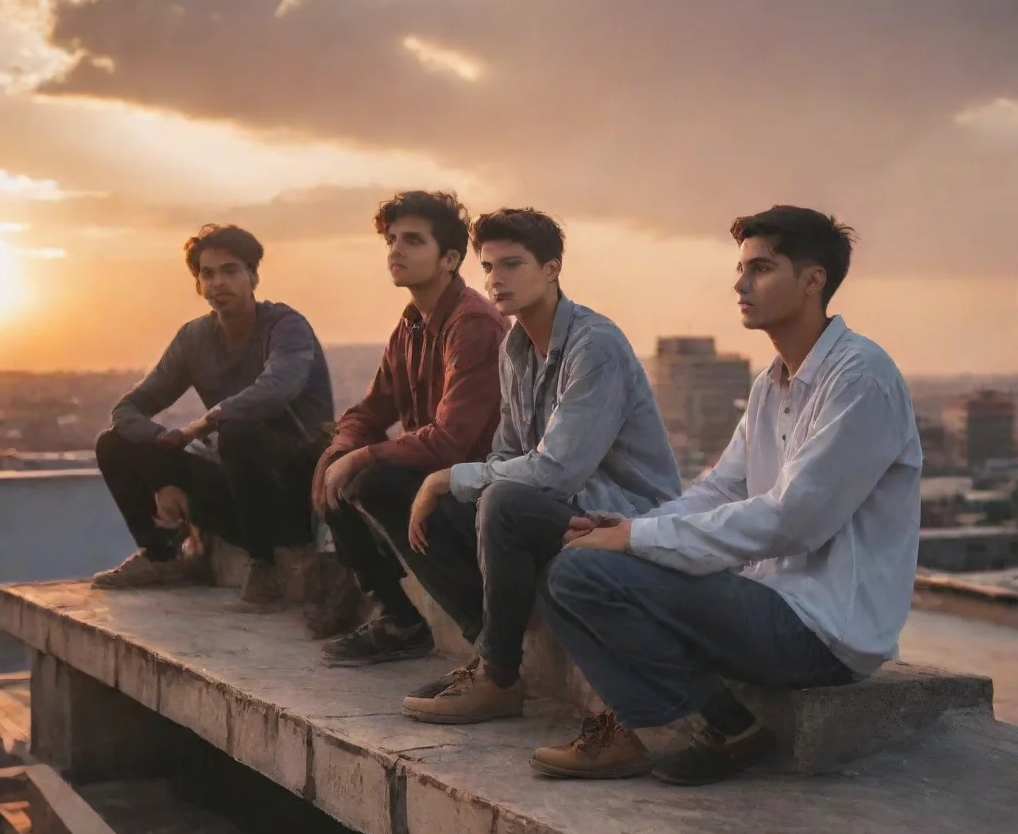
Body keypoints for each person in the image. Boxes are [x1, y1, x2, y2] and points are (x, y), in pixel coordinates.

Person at [530, 206, 922, 786]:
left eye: (760, 268)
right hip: (767, 600)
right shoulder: (773, 383)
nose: (739, 284)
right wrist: (633, 528)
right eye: (740, 269)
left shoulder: (859, 378)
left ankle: (692, 724)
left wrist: (637, 538)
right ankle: (716, 722)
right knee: (569, 554)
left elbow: (793, 521)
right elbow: (720, 487)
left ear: (813, 280)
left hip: (822, 632)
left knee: (583, 575)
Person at [396, 208, 682, 724]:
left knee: (492, 496)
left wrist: (448, 477)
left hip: (621, 520)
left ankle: (499, 677)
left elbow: (556, 473)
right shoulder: (516, 347)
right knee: (423, 498)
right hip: (559, 511)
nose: (496, 279)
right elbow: (507, 452)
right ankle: (492, 641)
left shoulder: (595, 346)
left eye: (511, 264)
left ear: (551, 269)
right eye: (488, 267)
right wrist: (455, 486)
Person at [312, 191, 509, 665]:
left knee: (369, 475)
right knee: (336, 462)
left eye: (413, 241)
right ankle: (398, 619)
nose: (396, 251)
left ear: (450, 259)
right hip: (433, 478)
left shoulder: (473, 324)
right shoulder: (411, 327)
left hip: (480, 489)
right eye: (392, 240)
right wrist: (340, 449)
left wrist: (360, 457)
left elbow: (450, 440)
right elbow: (371, 409)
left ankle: (493, 649)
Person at [92, 224, 334, 609]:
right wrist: (162, 456)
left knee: (238, 431)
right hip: (237, 487)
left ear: (253, 276)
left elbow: (276, 389)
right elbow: (128, 409)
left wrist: (203, 424)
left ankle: (267, 567)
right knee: (114, 443)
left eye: (231, 270)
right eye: (208, 273)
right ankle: (164, 558)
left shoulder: (286, 326)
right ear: (198, 284)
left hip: (293, 484)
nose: (219, 281)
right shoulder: (194, 339)